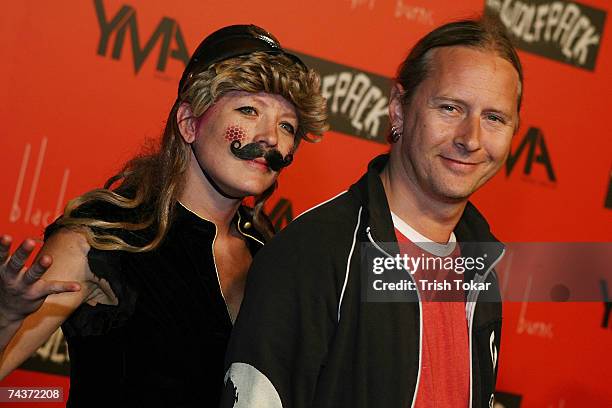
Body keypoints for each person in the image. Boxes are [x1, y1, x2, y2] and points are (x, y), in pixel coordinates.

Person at [0, 24, 327, 407]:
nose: (271, 137)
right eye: (249, 110)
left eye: (287, 125)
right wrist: (6, 313)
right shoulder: (107, 234)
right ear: (189, 123)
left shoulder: (269, 256)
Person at [222, 17, 522, 408]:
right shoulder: (315, 253)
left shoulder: (481, 261)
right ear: (398, 109)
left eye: (494, 118)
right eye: (450, 108)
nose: (471, 139)